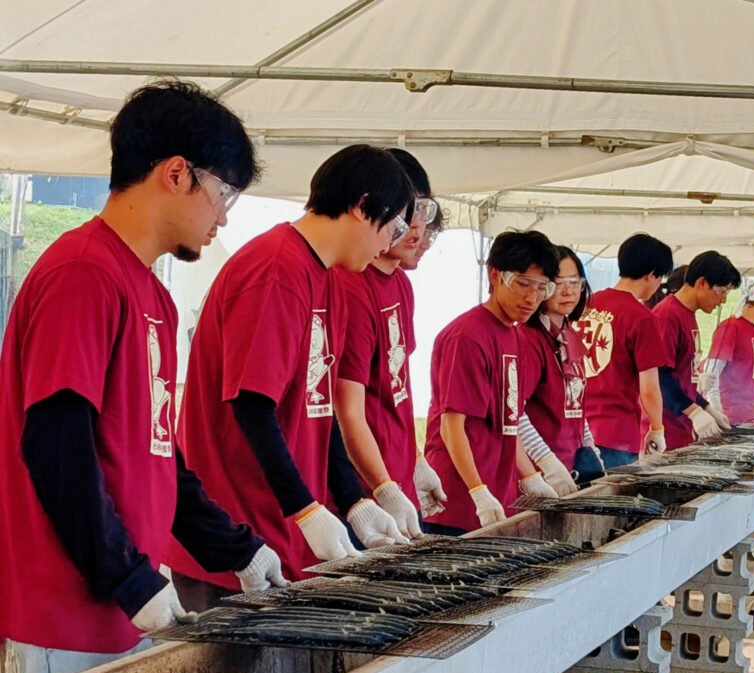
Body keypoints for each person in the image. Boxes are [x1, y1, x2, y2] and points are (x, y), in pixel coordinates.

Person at [0, 81, 286, 673]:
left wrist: (236, 549)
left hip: (122, 602)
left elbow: (157, 457)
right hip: (69, 613)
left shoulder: (152, 292)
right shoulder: (83, 273)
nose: (224, 215)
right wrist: (127, 579)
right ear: (177, 173)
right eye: (224, 192)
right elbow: (55, 445)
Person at [166, 145, 417, 607]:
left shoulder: (330, 277)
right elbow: (251, 404)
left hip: (284, 539)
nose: (389, 244)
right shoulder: (277, 269)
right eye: (393, 226)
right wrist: (304, 508)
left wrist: (355, 499)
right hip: (238, 544)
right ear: (362, 207)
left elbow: (319, 410)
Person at [334, 149, 446, 540]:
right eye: (407, 213)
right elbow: (346, 409)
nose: (417, 230)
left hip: (393, 483)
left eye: (424, 214)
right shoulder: (350, 285)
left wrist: (414, 462)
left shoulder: (401, 285)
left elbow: (396, 390)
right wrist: (381, 486)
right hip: (360, 499)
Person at [423, 231, 560, 533]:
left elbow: (508, 422)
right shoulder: (467, 336)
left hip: (500, 496)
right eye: (522, 283)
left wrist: (530, 477)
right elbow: (451, 426)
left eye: (542, 288)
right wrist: (477, 491)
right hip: (458, 504)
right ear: (495, 275)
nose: (531, 298)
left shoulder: (513, 334)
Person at [577, 234, 673, 467]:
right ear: (651, 274)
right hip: (615, 433)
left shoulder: (586, 304)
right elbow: (649, 388)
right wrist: (657, 428)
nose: (659, 284)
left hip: (576, 429)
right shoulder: (641, 318)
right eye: (661, 277)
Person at [518, 246, 604, 491]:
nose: (568, 291)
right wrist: (546, 462)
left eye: (574, 282)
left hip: (574, 467)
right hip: (541, 475)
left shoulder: (569, 335)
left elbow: (576, 401)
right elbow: (514, 413)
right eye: (558, 283)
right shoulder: (529, 339)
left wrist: (590, 446)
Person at [653, 250, 740, 447]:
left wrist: (707, 407)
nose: (723, 301)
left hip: (682, 428)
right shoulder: (667, 316)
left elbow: (684, 377)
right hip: (665, 430)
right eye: (722, 291)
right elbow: (659, 376)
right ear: (702, 283)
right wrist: (694, 411)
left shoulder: (688, 314)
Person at [701, 279, 754, 426]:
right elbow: (711, 376)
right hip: (728, 419)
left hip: (748, 418)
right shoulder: (730, 328)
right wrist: (717, 412)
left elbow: (749, 380)